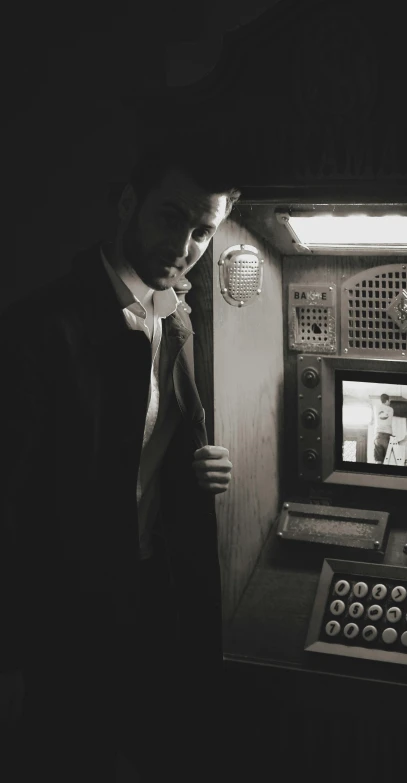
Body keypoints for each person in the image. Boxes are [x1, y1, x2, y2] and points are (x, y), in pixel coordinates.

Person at [1, 128, 241, 780]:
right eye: (171, 217)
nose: (184, 247)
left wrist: (197, 467)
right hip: (63, 616)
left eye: (202, 231)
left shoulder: (177, 316)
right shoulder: (41, 330)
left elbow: (139, 449)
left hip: (147, 598)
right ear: (128, 202)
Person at [373, 393, 394, 463]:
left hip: (378, 435)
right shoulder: (391, 409)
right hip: (387, 435)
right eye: (389, 401)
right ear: (387, 401)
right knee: (387, 460)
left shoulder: (376, 408)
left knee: (378, 460)